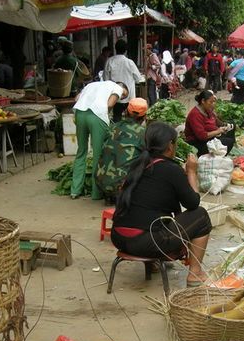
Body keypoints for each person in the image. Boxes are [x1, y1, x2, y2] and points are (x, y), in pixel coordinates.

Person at [112, 121, 212, 287]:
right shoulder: (172, 170)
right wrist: (192, 172)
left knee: (150, 214)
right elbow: (193, 204)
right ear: (170, 146)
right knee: (201, 215)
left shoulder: (136, 164)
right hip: (146, 242)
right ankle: (195, 274)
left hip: (119, 237)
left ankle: (152, 265)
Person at [71, 81, 126, 200]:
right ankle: (96, 193)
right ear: (122, 87)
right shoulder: (117, 87)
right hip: (97, 117)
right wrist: (105, 113)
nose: (121, 97)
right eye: (123, 95)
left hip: (80, 114)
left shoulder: (92, 84)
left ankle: (75, 190)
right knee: (98, 155)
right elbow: (110, 104)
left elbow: (77, 98)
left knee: (81, 151)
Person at [96, 98, 148, 203]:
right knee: (148, 157)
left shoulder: (114, 127)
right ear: (145, 116)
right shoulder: (144, 133)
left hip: (100, 182)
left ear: (126, 112)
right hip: (122, 186)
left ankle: (110, 194)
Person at [184, 90, 236, 156]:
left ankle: (221, 152)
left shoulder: (207, 109)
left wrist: (224, 126)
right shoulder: (195, 114)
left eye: (213, 102)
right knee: (228, 142)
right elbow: (202, 136)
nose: (212, 104)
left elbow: (216, 120)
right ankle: (217, 158)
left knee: (232, 125)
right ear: (203, 101)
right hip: (198, 143)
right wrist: (218, 131)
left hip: (211, 136)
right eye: (211, 102)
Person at [104, 39, 144, 122]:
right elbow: (138, 78)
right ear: (126, 50)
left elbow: (106, 79)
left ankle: (117, 133)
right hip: (129, 97)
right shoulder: (130, 62)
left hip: (115, 96)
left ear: (115, 49)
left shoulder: (109, 61)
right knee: (130, 119)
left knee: (116, 118)